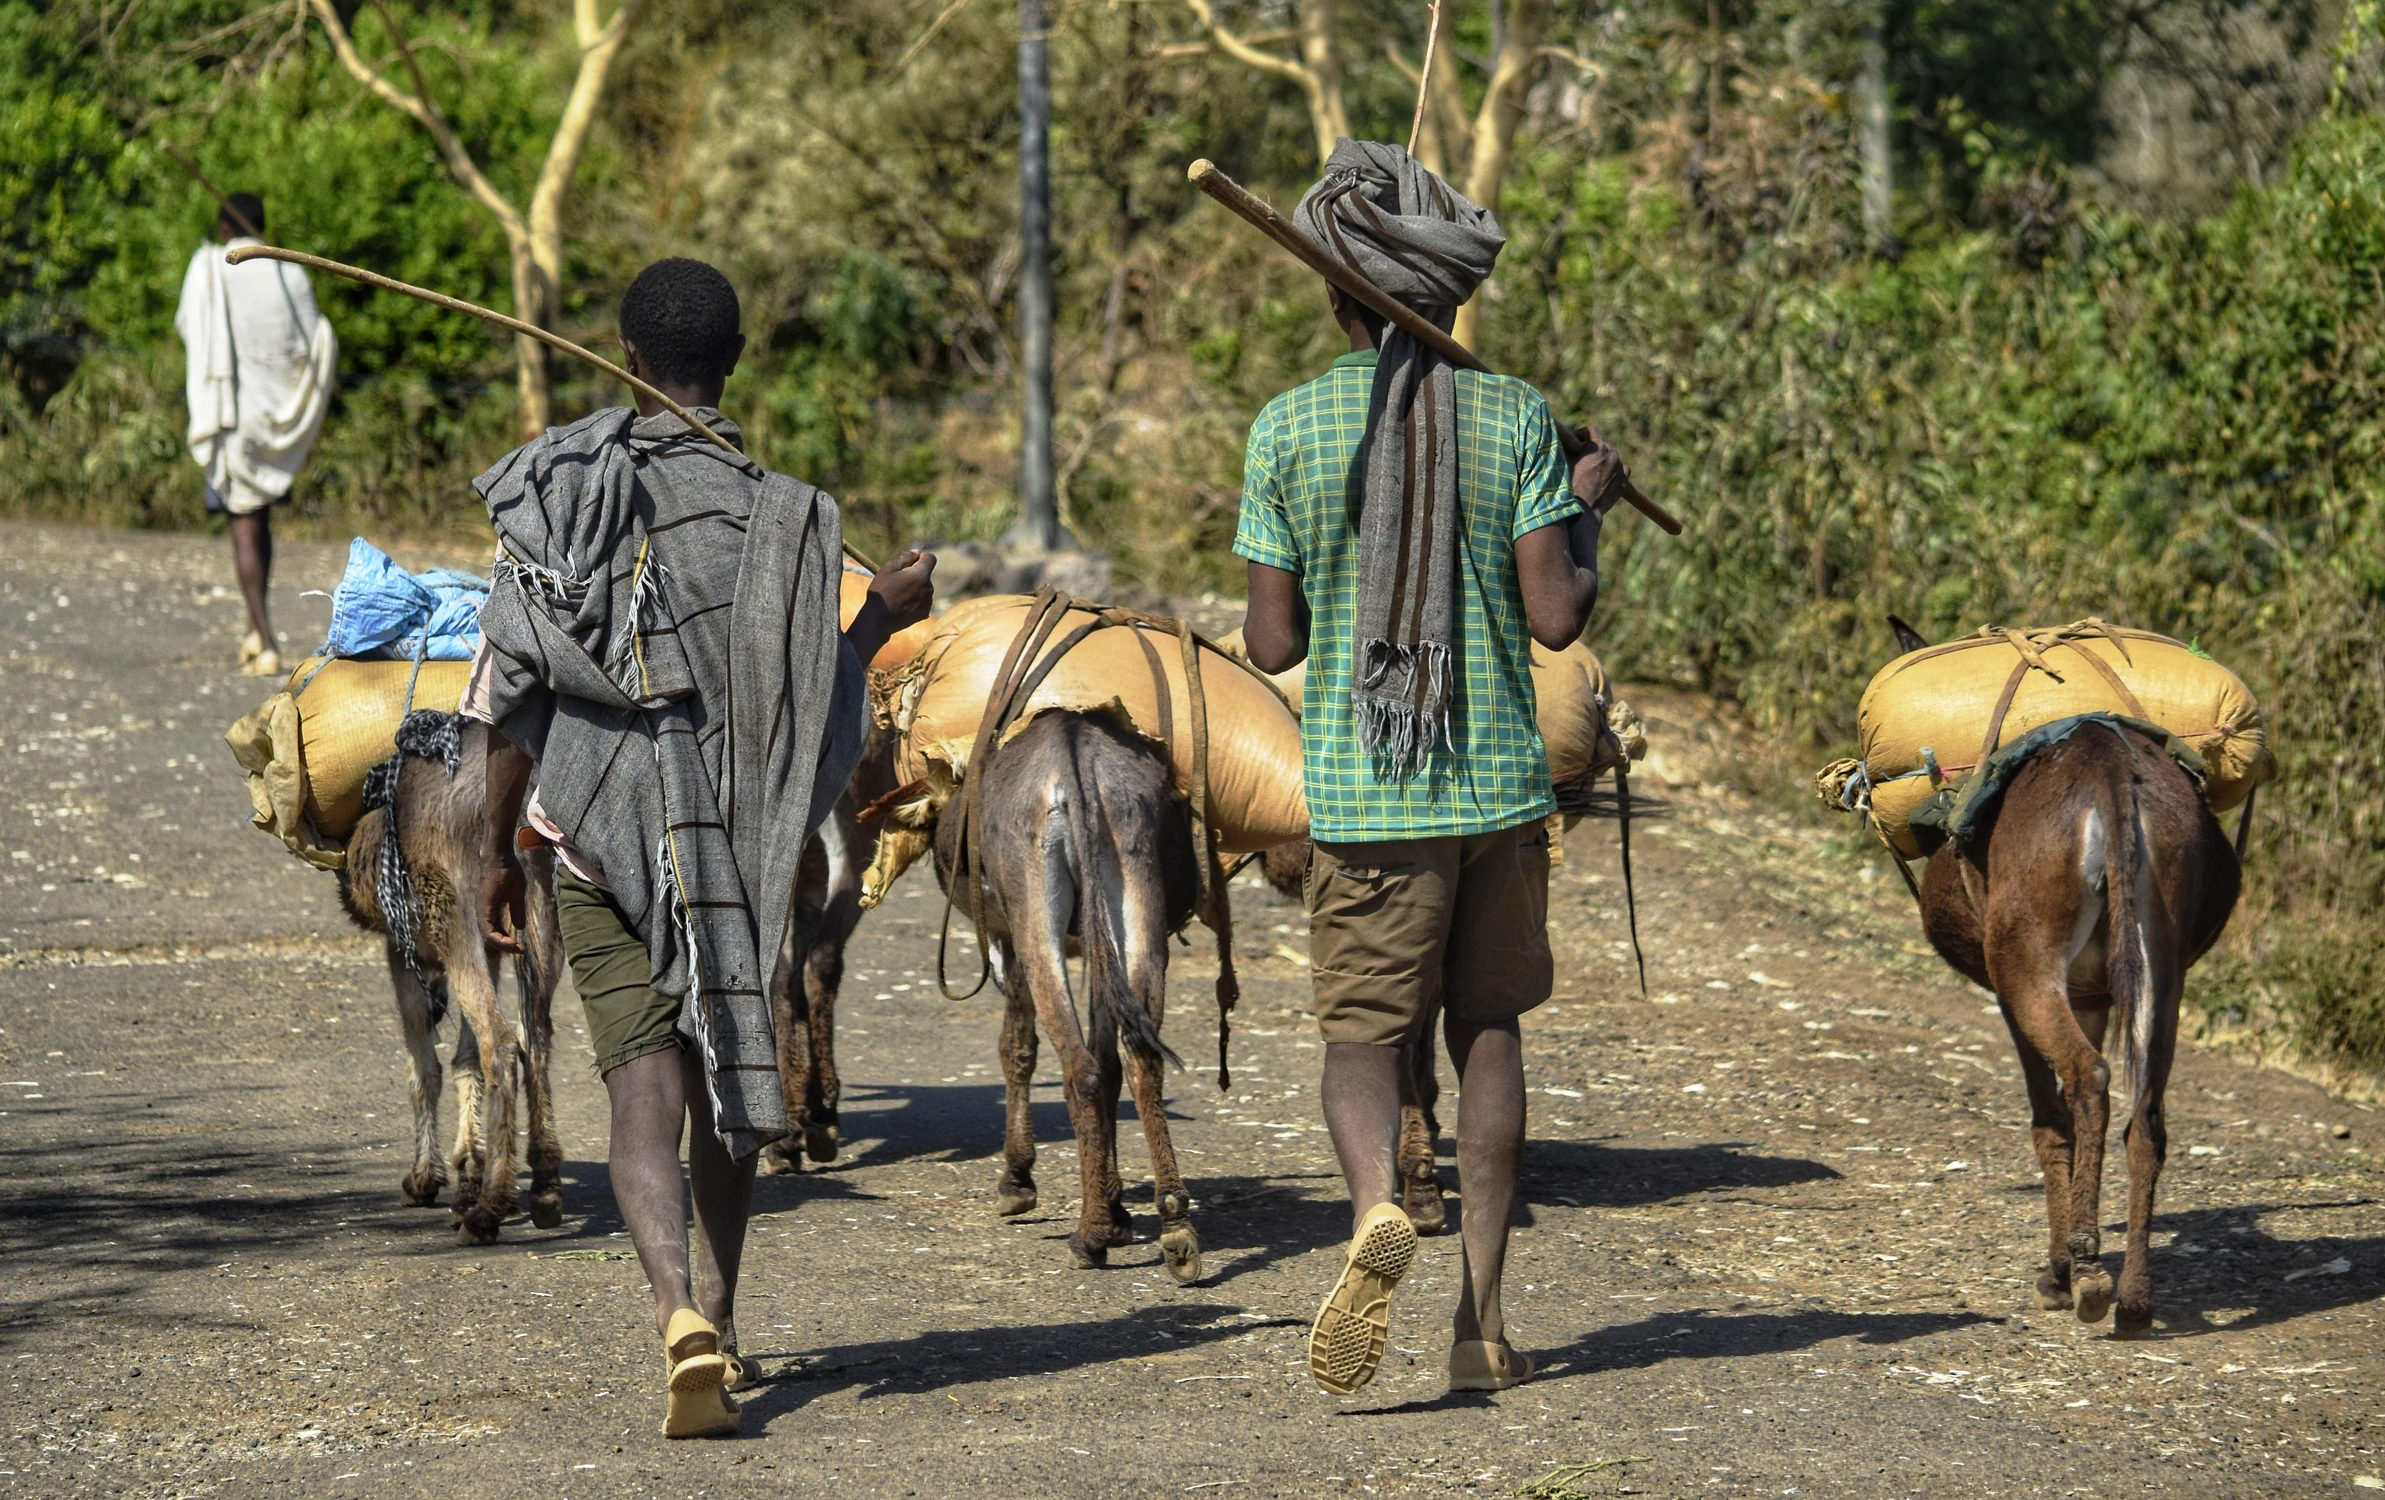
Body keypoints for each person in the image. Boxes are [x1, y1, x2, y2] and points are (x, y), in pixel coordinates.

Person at [463, 258, 936, 1438]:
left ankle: (674, 1308)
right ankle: (718, 1316)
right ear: (733, 367)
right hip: (737, 847)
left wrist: (490, 854)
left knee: (640, 1099)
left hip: (594, 841)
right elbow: (819, 723)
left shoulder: (565, 491)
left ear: (628, 364)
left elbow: (508, 692)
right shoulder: (792, 521)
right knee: (730, 1081)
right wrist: (882, 613)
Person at [1233, 142, 1627, 1398]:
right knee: (1489, 1032)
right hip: (1499, 791)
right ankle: (1480, 1323)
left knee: (1362, 1038)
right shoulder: (1514, 415)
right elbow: (1557, 618)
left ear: (1336, 292)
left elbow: (1272, 643)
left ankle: (1368, 1213)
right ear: (1447, 291)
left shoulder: (1288, 427)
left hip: (1362, 791)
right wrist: (1588, 509)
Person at [171, 192, 338, 676]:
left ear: (226, 229)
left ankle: (266, 640)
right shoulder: (293, 273)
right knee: (256, 522)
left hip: (235, 416)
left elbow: (188, 326)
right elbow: (316, 340)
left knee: (244, 525)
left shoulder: (209, 266)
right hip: (276, 419)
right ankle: (253, 627)